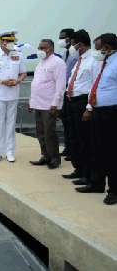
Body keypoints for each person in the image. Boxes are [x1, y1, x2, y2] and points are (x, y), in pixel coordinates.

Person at [81, 33, 117, 205]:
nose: (97, 51)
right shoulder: (106, 63)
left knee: (111, 152)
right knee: (98, 149)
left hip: (111, 113)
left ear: (108, 48)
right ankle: (97, 183)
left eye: (99, 48)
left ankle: (114, 191)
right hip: (99, 111)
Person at [60, 31, 100, 186]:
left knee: (85, 140)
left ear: (80, 44)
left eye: (73, 43)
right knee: (74, 138)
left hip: (83, 102)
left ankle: (88, 174)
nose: (71, 46)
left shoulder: (93, 60)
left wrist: (89, 107)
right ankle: (79, 169)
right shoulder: (79, 59)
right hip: (72, 101)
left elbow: (94, 85)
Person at [0, 30, 27, 163]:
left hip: (13, 94)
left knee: (10, 123)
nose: (12, 44)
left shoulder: (18, 54)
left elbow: (23, 73)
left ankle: (10, 151)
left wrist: (17, 81)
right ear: (3, 42)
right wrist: (2, 81)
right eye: (10, 41)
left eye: (14, 41)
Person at [28, 39, 66, 169]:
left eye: (42, 48)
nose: (39, 50)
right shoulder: (40, 63)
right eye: (39, 47)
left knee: (50, 132)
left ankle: (55, 158)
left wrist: (55, 104)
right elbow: (36, 83)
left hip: (49, 105)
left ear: (50, 48)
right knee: (40, 132)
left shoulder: (58, 63)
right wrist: (31, 102)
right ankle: (45, 155)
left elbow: (60, 86)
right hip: (37, 103)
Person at [58, 28, 77, 159]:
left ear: (70, 38)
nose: (61, 40)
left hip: (73, 92)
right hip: (64, 90)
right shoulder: (66, 53)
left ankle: (74, 150)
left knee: (73, 123)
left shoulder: (76, 54)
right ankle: (68, 147)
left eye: (63, 37)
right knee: (65, 121)